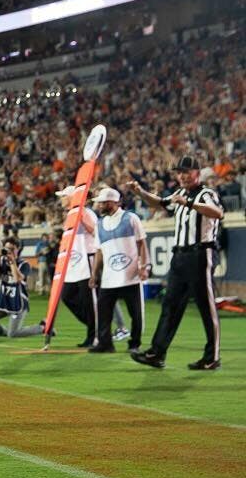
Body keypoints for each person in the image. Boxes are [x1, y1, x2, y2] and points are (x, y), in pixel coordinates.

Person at [128, 156, 224, 369]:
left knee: (206, 307)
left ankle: (212, 357)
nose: (182, 176)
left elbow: (218, 213)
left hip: (201, 255)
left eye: (186, 172)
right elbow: (161, 204)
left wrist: (189, 203)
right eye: (179, 172)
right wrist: (140, 192)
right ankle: (157, 353)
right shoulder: (179, 193)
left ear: (197, 173)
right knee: (170, 305)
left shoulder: (207, 194)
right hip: (179, 256)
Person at [87, 187, 148, 354]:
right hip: (109, 278)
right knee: (104, 312)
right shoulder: (99, 225)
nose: (98, 206)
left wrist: (144, 266)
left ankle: (134, 343)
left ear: (111, 203)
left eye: (101, 203)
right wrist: (94, 274)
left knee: (136, 313)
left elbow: (142, 244)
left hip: (131, 276)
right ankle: (105, 343)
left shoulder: (131, 219)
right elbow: (99, 251)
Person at [54, 186, 98, 347]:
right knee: (67, 296)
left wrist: (82, 219)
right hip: (73, 262)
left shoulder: (87, 213)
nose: (61, 199)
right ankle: (96, 326)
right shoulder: (69, 215)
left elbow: (96, 232)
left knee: (88, 301)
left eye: (64, 196)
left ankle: (94, 334)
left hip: (87, 259)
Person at [0, 237, 46, 337]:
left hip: (18, 303)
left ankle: (42, 327)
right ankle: (2, 331)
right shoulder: (1, 263)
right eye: (7, 249)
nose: (9, 251)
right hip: (3, 301)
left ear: (18, 249)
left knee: (13, 334)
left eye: (12, 249)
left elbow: (18, 279)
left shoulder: (24, 264)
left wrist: (12, 262)